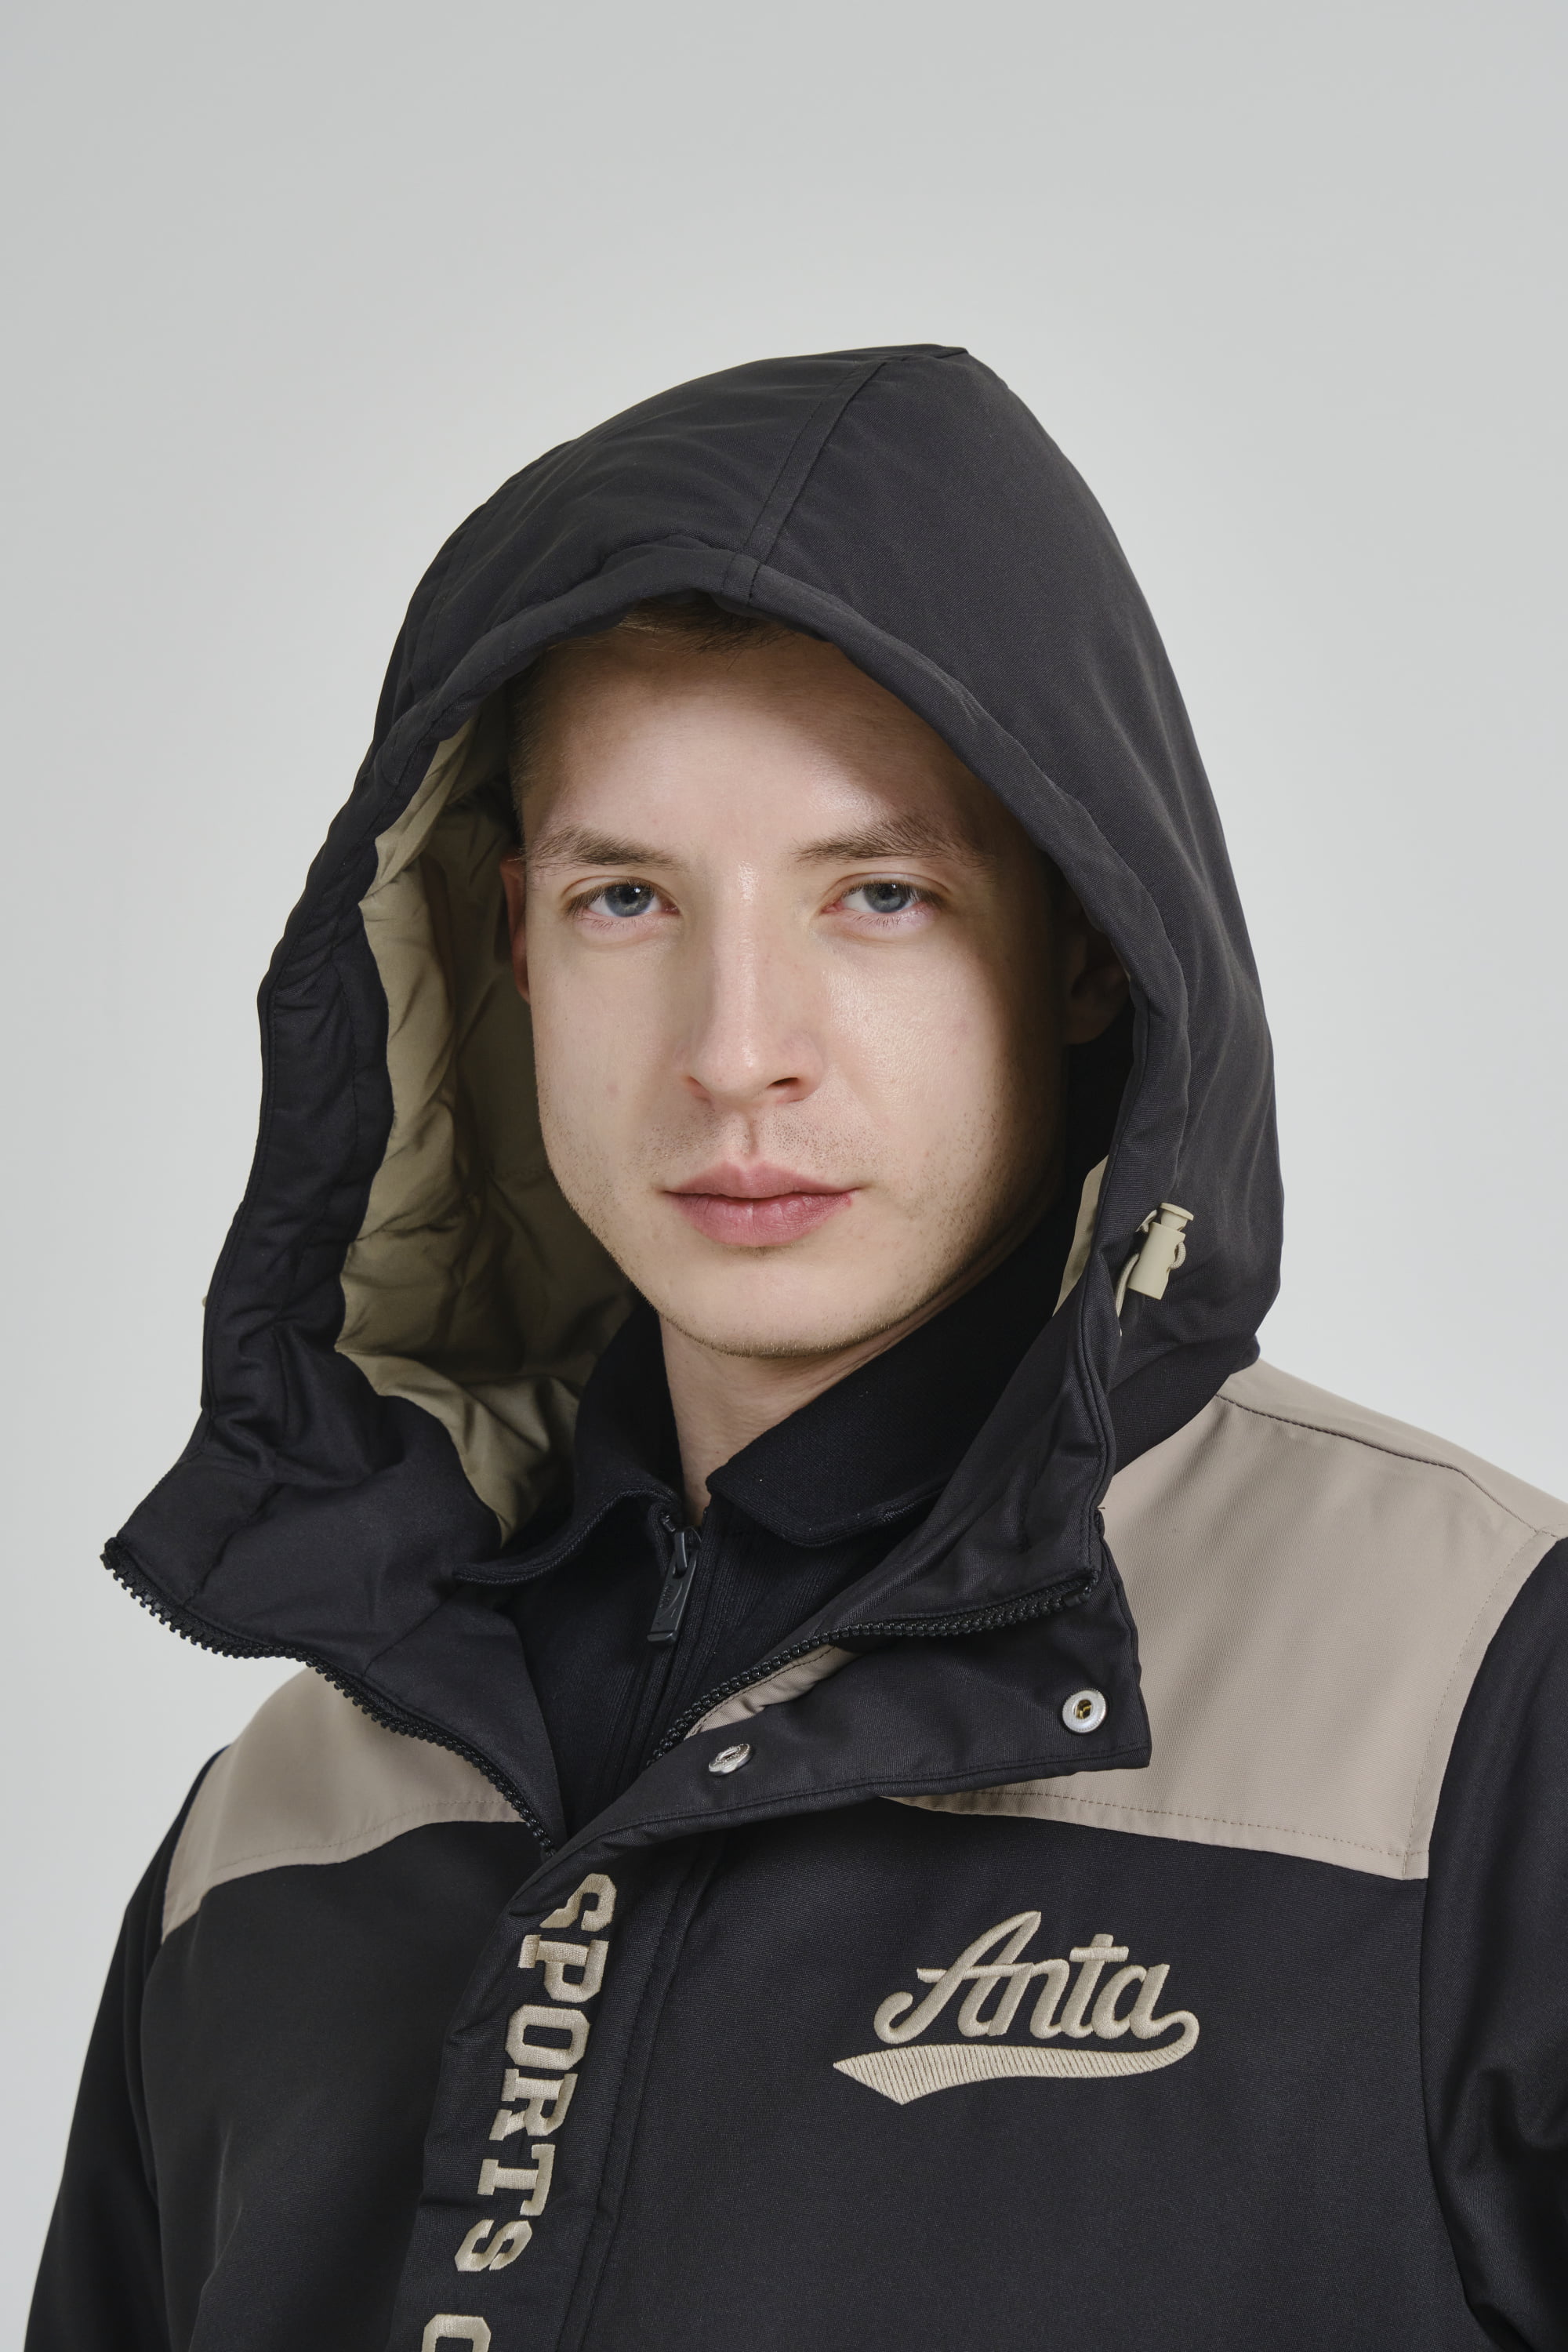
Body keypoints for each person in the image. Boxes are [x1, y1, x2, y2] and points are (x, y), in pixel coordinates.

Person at [27, 346, 1568, 2352]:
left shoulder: (1481, 1709)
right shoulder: (281, 1826)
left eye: (880, 894)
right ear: (504, 939)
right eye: (626, 898)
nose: (735, 1047)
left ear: (1082, 941)